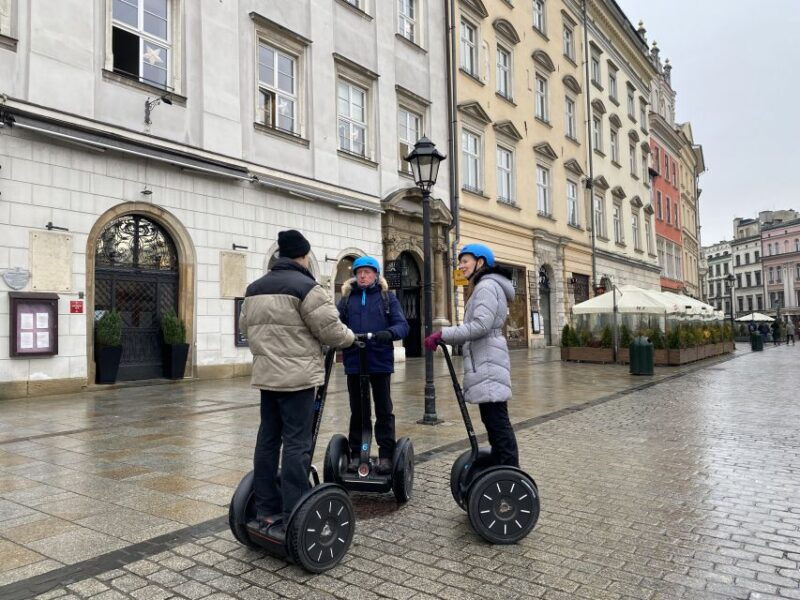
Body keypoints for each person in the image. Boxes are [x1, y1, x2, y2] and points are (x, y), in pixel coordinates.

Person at [239, 230, 355, 536]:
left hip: (267, 378)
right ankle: (294, 510)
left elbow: (245, 328)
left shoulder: (254, 288)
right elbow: (331, 331)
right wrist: (351, 339)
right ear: (303, 256)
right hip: (298, 380)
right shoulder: (307, 288)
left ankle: (266, 509)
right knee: (296, 444)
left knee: (268, 440)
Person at [424, 244, 519, 467]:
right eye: (460, 261)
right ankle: (502, 466)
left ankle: (509, 471)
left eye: (465, 261)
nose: (461, 266)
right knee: (493, 420)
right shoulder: (484, 285)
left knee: (497, 421)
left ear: (480, 262)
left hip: (488, 360)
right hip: (486, 359)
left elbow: (480, 326)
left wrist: (443, 334)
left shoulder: (486, 286)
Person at [338, 256, 409, 474]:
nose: (362, 276)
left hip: (379, 360)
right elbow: (336, 324)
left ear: (376, 275)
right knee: (358, 410)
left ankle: (386, 454)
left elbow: (402, 325)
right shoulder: (347, 299)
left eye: (367, 272)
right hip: (354, 360)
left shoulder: (387, 298)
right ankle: (357, 453)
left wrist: (389, 333)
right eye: (359, 272)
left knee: (383, 409)